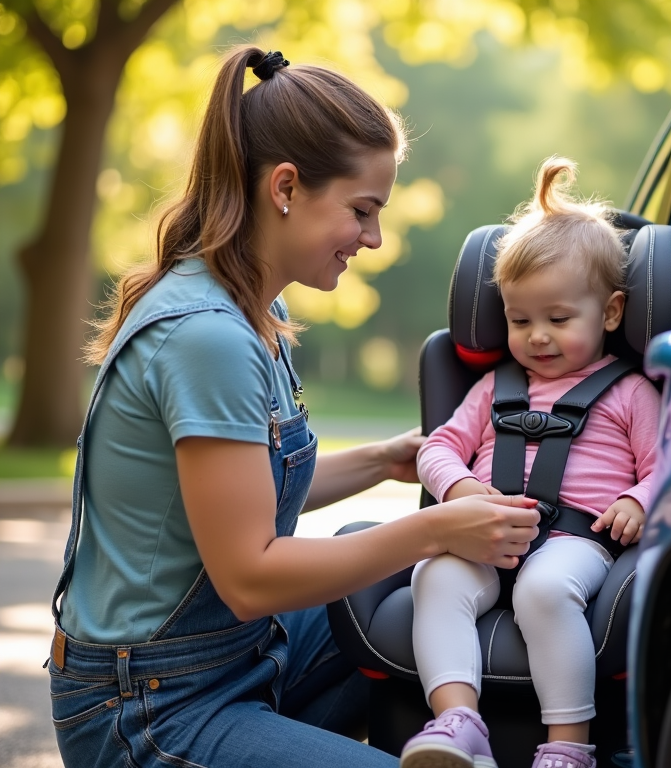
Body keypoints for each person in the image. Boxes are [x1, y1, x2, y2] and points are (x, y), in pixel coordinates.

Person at [47, 46, 540, 768]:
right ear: (285, 187)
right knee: (416, 553)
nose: (373, 238)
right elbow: (250, 577)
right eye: (362, 210)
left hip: (236, 656)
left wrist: (384, 461)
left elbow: (245, 496)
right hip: (150, 705)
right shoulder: (207, 337)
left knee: (405, 577)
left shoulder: (255, 309)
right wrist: (437, 527)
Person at [400, 157, 666, 768]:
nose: (537, 336)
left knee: (544, 591)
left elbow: (668, 466)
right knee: (434, 578)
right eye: (520, 320)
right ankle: (458, 725)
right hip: (486, 533)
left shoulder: (630, 392)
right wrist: (462, 489)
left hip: (576, 540)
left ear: (613, 312)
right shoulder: (495, 386)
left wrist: (637, 500)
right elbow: (437, 449)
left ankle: (568, 749)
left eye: (559, 319)